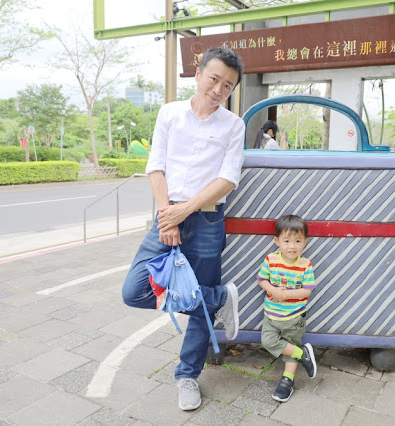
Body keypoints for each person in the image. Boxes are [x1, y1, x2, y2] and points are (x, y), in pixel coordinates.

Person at [121, 47, 245, 412]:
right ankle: (219, 298)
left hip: (206, 220)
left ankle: (187, 375)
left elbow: (228, 179)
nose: (219, 89)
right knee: (134, 290)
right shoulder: (170, 113)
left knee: (196, 313)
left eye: (228, 85)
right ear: (198, 73)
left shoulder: (233, 125)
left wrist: (183, 212)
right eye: (215, 79)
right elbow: (155, 165)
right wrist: (167, 214)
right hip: (165, 214)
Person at [257, 215, 318, 402]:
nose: (292, 246)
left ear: (305, 242)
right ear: (277, 241)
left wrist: (287, 294)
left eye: (298, 241)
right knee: (268, 341)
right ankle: (302, 354)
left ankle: (287, 380)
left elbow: (307, 291)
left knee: (290, 348)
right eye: (287, 241)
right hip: (271, 316)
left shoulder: (305, 265)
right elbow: (261, 280)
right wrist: (273, 290)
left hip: (294, 317)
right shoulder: (271, 260)